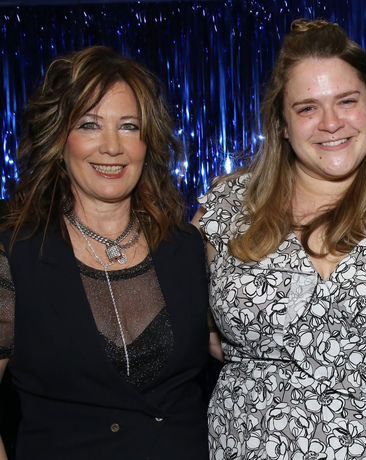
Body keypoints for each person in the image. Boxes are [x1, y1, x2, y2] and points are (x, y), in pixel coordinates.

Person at [192, 18, 366, 460]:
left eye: (347, 101)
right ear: (281, 123)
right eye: (307, 108)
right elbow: (164, 311)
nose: (330, 123)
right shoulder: (227, 209)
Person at [0, 46, 210, 459]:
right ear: (59, 138)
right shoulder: (14, 254)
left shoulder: (189, 249)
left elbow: (249, 343)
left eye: (129, 126)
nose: (112, 147)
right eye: (90, 125)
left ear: (148, 141)